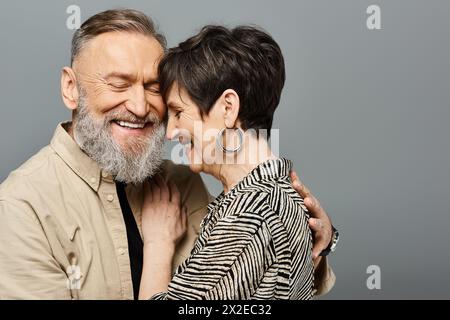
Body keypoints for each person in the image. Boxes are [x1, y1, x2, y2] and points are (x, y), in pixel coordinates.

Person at [0, 9, 336, 300]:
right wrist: (160, 249)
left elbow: (247, 278)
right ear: (71, 88)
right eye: (118, 84)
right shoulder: (20, 208)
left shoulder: (184, 181)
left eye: (153, 88)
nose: (139, 106)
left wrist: (312, 246)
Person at [138, 25, 331, 300]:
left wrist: (158, 245)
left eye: (179, 112)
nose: (170, 132)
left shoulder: (247, 215)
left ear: (228, 108)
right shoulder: (282, 192)